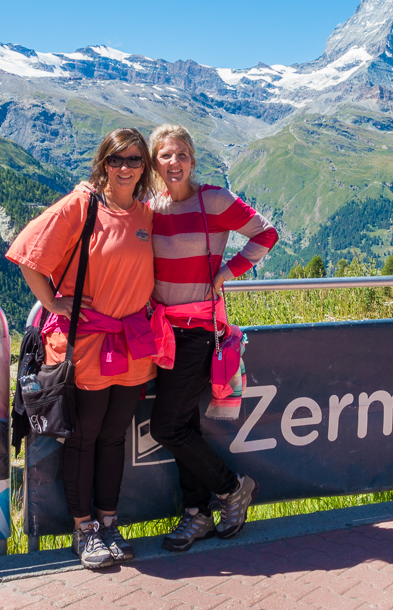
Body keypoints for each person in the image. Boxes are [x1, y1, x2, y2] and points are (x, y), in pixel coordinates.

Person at [6, 128, 157, 569]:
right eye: (116, 160)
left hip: (132, 346)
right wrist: (52, 301)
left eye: (134, 160)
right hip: (87, 345)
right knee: (85, 438)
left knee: (113, 438)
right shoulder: (82, 205)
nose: (125, 168)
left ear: (144, 166)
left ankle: (108, 523)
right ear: (102, 163)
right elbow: (26, 254)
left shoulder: (147, 215)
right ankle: (83, 529)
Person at [147, 123, 278, 552]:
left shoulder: (214, 200)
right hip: (161, 331)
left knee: (166, 426)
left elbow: (266, 233)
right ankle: (196, 514)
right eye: (165, 155)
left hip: (199, 331)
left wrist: (228, 271)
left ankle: (232, 488)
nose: (174, 162)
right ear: (154, 162)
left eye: (182, 153)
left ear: (193, 159)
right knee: (182, 424)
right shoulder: (153, 207)